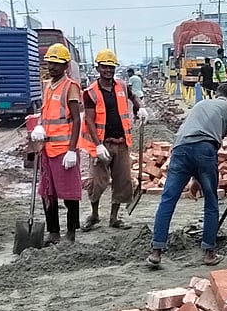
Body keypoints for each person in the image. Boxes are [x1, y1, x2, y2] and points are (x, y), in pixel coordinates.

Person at [147, 82, 227, 267]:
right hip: (205, 148)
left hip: (179, 149)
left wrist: (195, 179)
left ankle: (156, 251)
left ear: (217, 94)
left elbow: (191, 140)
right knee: (211, 201)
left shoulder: (201, 104)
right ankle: (209, 253)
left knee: (168, 199)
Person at [78, 48, 147, 230]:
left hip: (121, 142)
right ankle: (94, 215)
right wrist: (98, 145)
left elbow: (134, 98)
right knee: (97, 181)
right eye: (104, 67)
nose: (108, 70)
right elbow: (90, 120)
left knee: (122, 180)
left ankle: (114, 218)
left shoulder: (122, 86)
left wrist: (139, 108)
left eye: (111, 67)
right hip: (102, 144)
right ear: (98, 68)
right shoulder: (91, 92)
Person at [29, 44, 82, 243]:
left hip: (64, 150)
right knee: (47, 192)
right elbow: (47, 114)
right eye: (50, 63)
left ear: (66, 66)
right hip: (47, 149)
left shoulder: (70, 86)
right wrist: (39, 127)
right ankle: (53, 231)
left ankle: (71, 231)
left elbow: (76, 120)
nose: (52, 67)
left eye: (57, 64)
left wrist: (72, 150)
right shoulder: (48, 86)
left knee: (69, 193)